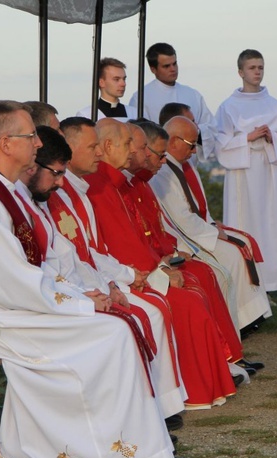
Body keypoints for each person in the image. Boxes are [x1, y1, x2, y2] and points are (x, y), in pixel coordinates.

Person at [0, 100, 186, 458]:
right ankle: (106, 455)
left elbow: (48, 261)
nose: (38, 142)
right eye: (30, 135)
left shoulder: (11, 193)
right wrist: (83, 303)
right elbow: (13, 282)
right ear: (5, 143)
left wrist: (86, 292)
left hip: (12, 306)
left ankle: (130, 451)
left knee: (113, 328)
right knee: (110, 334)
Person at [56, 117, 240, 407]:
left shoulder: (104, 183)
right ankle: (171, 398)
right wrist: (147, 275)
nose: (132, 152)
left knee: (197, 281)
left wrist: (156, 266)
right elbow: (111, 246)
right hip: (103, 281)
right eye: (129, 143)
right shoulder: (98, 185)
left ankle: (197, 383)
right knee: (174, 304)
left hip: (116, 274)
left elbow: (123, 241)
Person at [18, 125, 188, 423]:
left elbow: (76, 254)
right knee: (128, 323)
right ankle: (129, 418)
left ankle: (155, 409)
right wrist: (94, 294)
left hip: (77, 286)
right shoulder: (36, 198)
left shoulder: (58, 194)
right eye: (92, 147)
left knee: (143, 315)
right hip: (43, 303)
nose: (98, 153)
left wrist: (109, 282)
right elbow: (41, 270)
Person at [125, 121, 263, 375]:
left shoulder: (141, 182)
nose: (159, 160)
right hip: (145, 266)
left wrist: (176, 248)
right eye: (153, 151)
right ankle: (217, 361)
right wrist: (170, 255)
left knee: (217, 271)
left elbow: (159, 224)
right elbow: (162, 225)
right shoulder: (138, 182)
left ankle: (230, 353)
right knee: (214, 273)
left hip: (167, 252)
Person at [152, 116, 272, 331]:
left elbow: (194, 207)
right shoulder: (162, 172)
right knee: (233, 254)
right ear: (174, 141)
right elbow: (180, 218)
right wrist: (212, 232)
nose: (195, 151)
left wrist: (212, 226)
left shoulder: (178, 165)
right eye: (191, 145)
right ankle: (241, 320)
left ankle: (253, 313)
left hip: (197, 229)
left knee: (244, 243)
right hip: (186, 238)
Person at [214, 49, 277, 292]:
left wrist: (272, 137)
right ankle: (248, 285)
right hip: (242, 173)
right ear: (240, 72)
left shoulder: (274, 105)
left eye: (261, 67)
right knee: (245, 223)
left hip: (268, 171)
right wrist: (247, 138)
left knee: (271, 224)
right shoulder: (228, 107)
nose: (257, 72)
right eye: (252, 68)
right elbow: (221, 144)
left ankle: (272, 281)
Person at [128, 43, 217, 162]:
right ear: (153, 69)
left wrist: (194, 131)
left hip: (189, 162)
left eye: (174, 63)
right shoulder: (141, 97)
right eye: (166, 66)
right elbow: (139, 133)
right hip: (158, 164)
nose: (173, 69)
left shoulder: (192, 94)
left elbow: (212, 128)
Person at [76, 58, 138, 122]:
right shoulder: (86, 115)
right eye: (116, 79)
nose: (123, 84)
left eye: (124, 79)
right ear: (101, 82)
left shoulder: (134, 114)